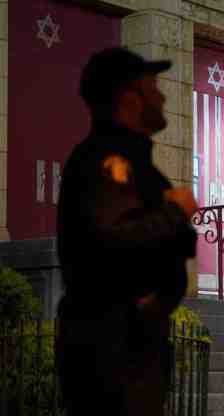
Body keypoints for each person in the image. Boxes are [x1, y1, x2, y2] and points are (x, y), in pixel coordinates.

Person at [55, 47, 198, 416]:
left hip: (132, 348)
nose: (163, 95)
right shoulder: (108, 161)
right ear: (130, 97)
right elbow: (113, 239)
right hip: (113, 351)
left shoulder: (133, 162)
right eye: (153, 85)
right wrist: (174, 212)